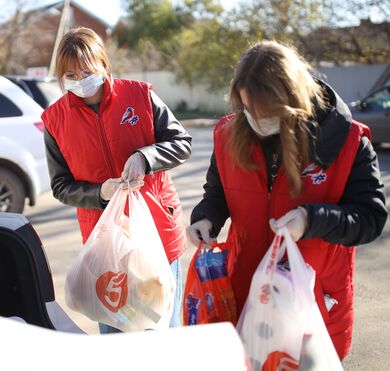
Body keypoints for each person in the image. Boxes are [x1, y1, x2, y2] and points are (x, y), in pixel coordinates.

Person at [187, 40, 386, 359]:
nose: (255, 119)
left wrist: (312, 220)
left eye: (266, 113)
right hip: (249, 296)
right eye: (246, 108)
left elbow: (371, 218)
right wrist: (205, 217)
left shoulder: (348, 143)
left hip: (312, 304)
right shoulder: (229, 133)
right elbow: (218, 191)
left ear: (292, 101)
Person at [41, 27, 192, 333]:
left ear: (103, 65)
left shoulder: (140, 95)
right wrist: (100, 193)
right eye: (70, 73)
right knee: (116, 335)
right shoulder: (55, 120)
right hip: (105, 244)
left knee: (162, 331)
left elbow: (181, 142)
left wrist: (145, 157)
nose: (81, 79)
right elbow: (60, 186)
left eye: (86, 70)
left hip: (157, 234)